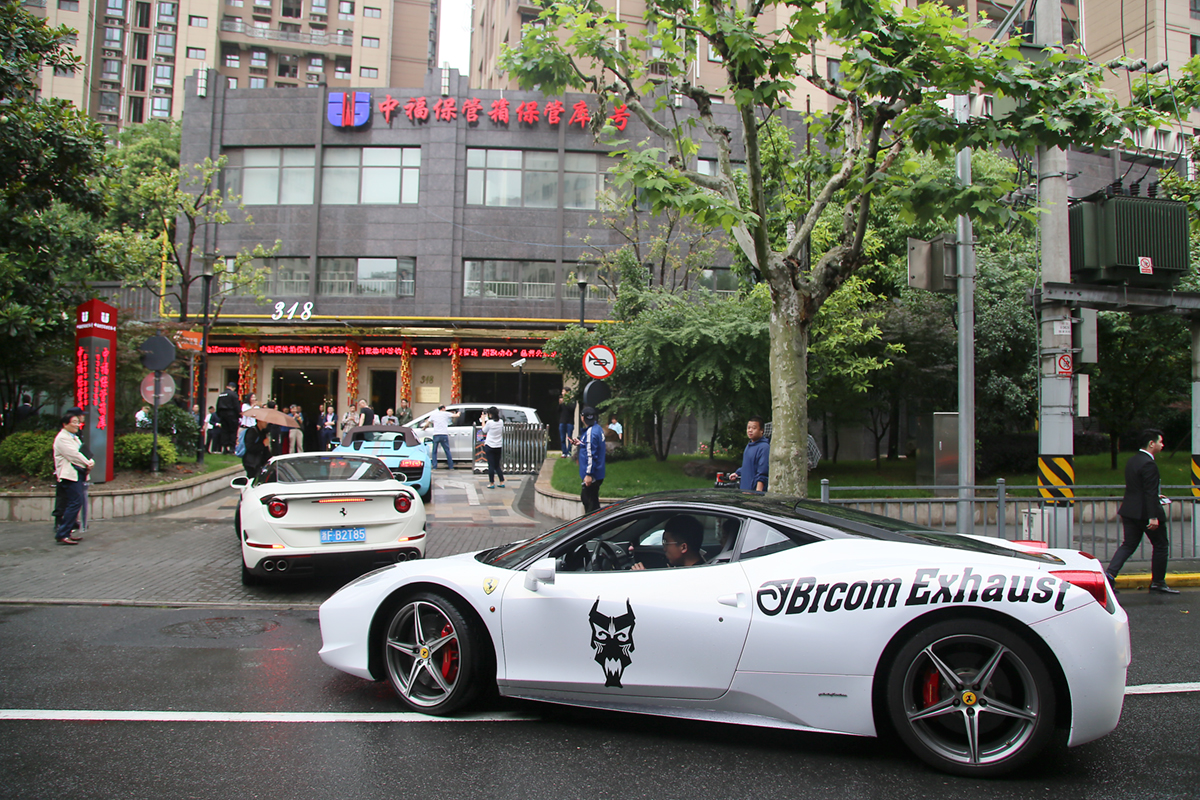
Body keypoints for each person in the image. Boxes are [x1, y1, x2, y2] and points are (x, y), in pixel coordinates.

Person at [1107, 428, 1179, 594]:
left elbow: (1139, 487)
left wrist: (1154, 496)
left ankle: (1109, 576)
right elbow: (1149, 492)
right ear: (1151, 443)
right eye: (1160, 442)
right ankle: (1158, 582)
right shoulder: (1149, 464)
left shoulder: (1132, 460)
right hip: (1146, 513)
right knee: (1161, 545)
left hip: (1129, 510)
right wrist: (1153, 516)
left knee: (1128, 544)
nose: (1162, 445)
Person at [52, 412, 93, 545]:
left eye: (77, 422)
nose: (77, 425)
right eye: (74, 422)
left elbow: (83, 452)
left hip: (77, 474)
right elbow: (74, 455)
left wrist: (90, 461)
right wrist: (88, 463)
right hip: (69, 476)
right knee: (75, 503)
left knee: (75, 503)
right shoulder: (62, 438)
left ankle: (66, 532)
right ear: (65, 424)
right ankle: (63, 533)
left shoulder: (74, 438)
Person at [632, 515, 705, 570]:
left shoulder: (694, 576)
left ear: (683, 547)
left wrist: (644, 578)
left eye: (666, 543)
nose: (664, 549)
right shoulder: (694, 569)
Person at [575, 406, 606, 513]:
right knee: (592, 500)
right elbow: (592, 446)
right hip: (598, 473)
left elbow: (591, 455)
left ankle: (594, 522)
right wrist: (581, 443)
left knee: (588, 501)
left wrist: (589, 474)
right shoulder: (597, 429)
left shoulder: (590, 433)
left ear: (582, 418)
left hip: (592, 475)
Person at [729, 416, 769, 492]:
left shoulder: (764, 447)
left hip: (754, 492)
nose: (750, 430)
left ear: (761, 431)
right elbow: (749, 465)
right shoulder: (749, 445)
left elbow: (763, 471)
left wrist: (758, 492)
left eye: (754, 428)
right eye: (748, 428)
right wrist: (738, 473)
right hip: (745, 489)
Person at [423, 404, 459, 469]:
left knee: (434, 451)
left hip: (436, 435)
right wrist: (459, 412)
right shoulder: (446, 413)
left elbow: (427, 423)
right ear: (443, 408)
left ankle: (434, 466)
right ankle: (451, 466)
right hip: (444, 434)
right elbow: (457, 416)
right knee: (447, 451)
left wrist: (424, 428)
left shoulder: (434, 414)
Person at [481, 406, 506, 489]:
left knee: (491, 465)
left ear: (490, 414)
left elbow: (484, 430)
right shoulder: (501, 422)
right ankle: (501, 481)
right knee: (497, 465)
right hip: (498, 446)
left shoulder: (489, 423)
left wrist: (483, 420)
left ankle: (491, 483)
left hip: (489, 445)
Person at [215, 382, 240, 453]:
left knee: (224, 431)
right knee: (232, 431)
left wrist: (219, 415)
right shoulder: (233, 394)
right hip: (231, 414)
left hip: (222, 414)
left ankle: (225, 448)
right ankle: (232, 447)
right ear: (233, 388)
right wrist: (239, 414)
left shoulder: (221, 394)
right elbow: (236, 406)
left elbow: (217, 406)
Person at [558, 388, 574, 458]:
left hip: (570, 422)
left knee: (569, 438)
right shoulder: (562, 400)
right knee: (562, 438)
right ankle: (564, 452)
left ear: (567, 392)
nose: (562, 393)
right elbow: (558, 411)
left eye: (563, 391)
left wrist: (565, 402)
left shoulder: (572, 400)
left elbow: (572, 409)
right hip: (562, 421)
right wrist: (560, 404)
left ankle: (569, 452)